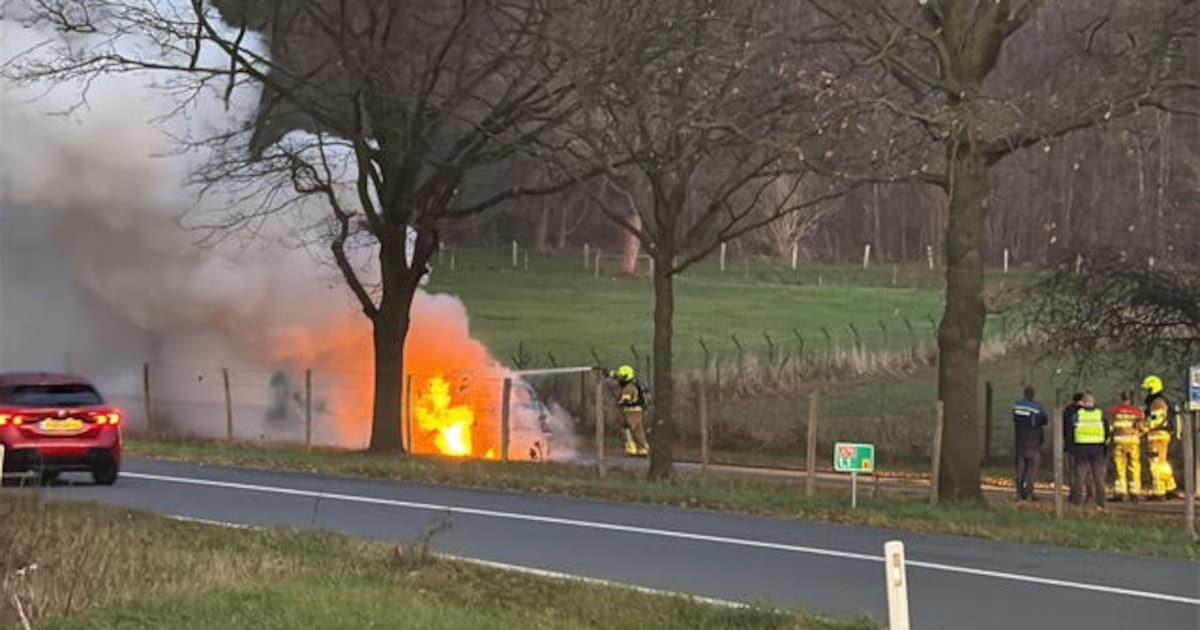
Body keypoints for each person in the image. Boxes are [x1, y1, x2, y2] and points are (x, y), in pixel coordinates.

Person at [1142, 375, 1180, 500]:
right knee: (1163, 463)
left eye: (1147, 389)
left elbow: (1155, 420)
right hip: (1160, 435)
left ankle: (1159, 492)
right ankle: (1170, 487)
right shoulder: (1159, 401)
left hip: (1157, 436)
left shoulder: (1157, 402)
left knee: (1155, 463)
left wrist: (1142, 427)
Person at [1070, 392, 1110, 509]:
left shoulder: (1078, 414)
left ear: (1083, 403)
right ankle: (1101, 503)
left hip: (1082, 447)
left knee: (1080, 476)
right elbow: (1107, 430)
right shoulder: (1100, 414)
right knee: (1099, 477)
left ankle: (1077, 502)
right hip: (1097, 448)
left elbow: (1072, 428)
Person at [1107, 390, 1146, 502]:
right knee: (1134, 467)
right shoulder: (1137, 411)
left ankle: (1121, 492)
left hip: (1118, 442)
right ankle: (1135, 492)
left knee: (1119, 467)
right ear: (1131, 399)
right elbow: (1142, 427)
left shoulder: (1114, 411)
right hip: (1133, 442)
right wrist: (1139, 434)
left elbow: (1110, 427)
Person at [1011, 386, 1048, 501]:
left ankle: (1019, 492)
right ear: (1033, 395)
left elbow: (1015, 418)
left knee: (1020, 468)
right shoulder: (1036, 407)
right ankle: (1029, 493)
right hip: (1033, 440)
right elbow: (1044, 419)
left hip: (1020, 440)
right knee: (1032, 469)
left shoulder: (1017, 406)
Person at [606, 365, 650, 457]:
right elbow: (618, 376)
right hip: (638, 410)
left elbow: (625, 400)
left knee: (627, 428)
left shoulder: (628, 388)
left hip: (631, 411)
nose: (620, 379)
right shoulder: (634, 383)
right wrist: (609, 374)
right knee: (638, 430)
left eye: (622, 377)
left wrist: (619, 402)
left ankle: (631, 448)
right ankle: (643, 448)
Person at [1062, 392, 1085, 504]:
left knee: (1072, 471)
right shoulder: (1084, 412)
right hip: (1082, 445)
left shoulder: (1067, 410)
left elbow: (1064, 428)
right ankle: (1079, 495)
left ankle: (1072, 494)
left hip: (1070, 445)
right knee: (1080, 471)